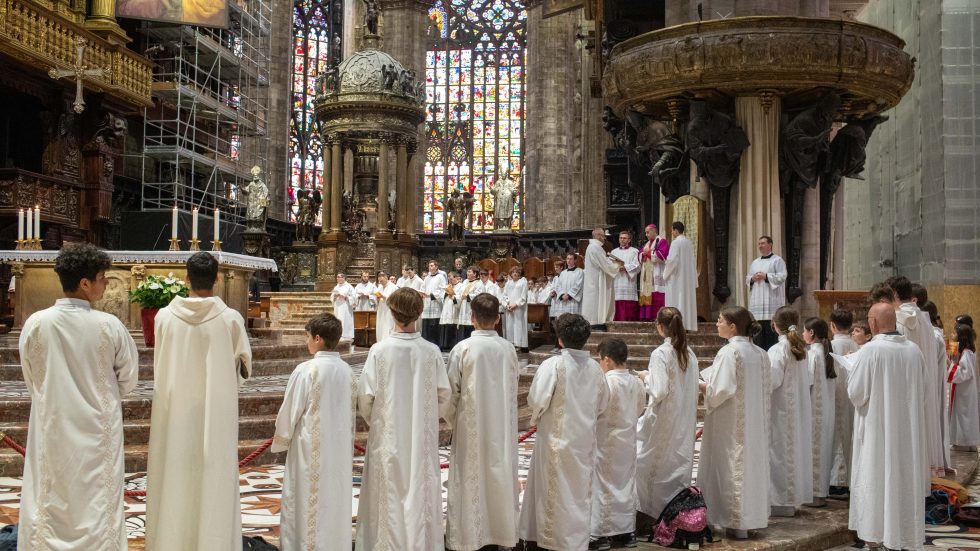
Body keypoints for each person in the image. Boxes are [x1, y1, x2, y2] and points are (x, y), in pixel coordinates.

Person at [17, 243, 139, 550]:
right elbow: (129, 378)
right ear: (85, 283)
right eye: (101, 278)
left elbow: (32, 378)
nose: (105, 283)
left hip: (52, 422)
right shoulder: (109, 325)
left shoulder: (36, 323)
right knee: (99, 496)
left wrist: (53, 397)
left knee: (50, 492)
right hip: (99, 427)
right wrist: (103, 395)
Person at [146, 252, 252, 551]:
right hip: (215, 413)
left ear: (186, 278)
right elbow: (244, 368)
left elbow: (160, 361)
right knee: (213, 473)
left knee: (173, 471)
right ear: (217, 279)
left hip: (174, 412)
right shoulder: (230, 320)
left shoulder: (164, 317)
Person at [356, 287, 451, 550]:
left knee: (388, 490)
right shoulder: (431, 351)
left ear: (391, 312)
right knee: (420, 488)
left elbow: (365, 396)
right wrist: (428, 418)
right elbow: (444, 395)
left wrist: (378, 421)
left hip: (387, 434)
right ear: (419, 313)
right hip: (422, 436)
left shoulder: (380, 350)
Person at [519, 313, 609, 551]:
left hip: (555, 440)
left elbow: (537, 399)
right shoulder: (596, 369)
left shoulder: (554, 365)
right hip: (584, 441)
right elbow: (603, 404)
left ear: (559, 339)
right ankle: (575, 541)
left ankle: (553, 542)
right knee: (578, 494)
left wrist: (537, 416)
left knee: (553, 492)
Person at [848, 303, 926, 551]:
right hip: (907, 432)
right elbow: (922, 390)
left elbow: (856, 393)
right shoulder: (914, 351)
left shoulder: (870, 351)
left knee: (876, 478)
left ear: (872, 322)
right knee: (902, 480)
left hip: (877, 431)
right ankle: (902, 536)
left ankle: (874, 537)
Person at [445, 293, 521, 551]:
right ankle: (500, 535)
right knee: (500, 475)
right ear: (498, 319)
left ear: (472, 317)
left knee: (470, 477)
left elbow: (451, 392)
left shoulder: (463, 348)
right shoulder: (508, 349)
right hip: (502, 425)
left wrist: (455, 419)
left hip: (471, 425)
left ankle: (470, 537)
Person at [271, 314, 353, 550]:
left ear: (318, 338)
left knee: (305, 501)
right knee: (333, 501)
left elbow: (290, 411)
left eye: (307, 336)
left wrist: (282, 438)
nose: (306, 341)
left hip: (309, 451)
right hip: (339, 450)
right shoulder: (348, 371)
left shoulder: (307, 370)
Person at [698, 306, 770, 539]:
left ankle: (730, 518)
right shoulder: (761, 353)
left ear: (732, 326)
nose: (716, 324)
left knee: (728, 466)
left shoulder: (730, 352)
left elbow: (721, 390)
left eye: (720, 320)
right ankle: (747, 521)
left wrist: (703, 387)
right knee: (750, 467)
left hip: (729, 423)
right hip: (754, 422)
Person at [635, 307, 699, 520]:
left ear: (660, 327)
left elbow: (659, 390)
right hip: (684, 418)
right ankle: (675, 513)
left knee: (649, 464)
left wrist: (645, 377)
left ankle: (652, 513)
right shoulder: (689, 353)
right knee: (676, 462)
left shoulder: (661, 353)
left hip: (664, 419)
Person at [591, 338, 647, 549]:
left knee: (602, 485)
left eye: (600, 360)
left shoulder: (605, 382)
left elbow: (595, 410)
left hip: (606, 441)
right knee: (625, 484)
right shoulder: (637, 382)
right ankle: (625, 532)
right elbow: (640, 408)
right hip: (628, 441)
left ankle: (600, 534)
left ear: (607, 359)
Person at [884, 276, 942, 477]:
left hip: (906, 387)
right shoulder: (922, 317)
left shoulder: (902, 319)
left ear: (894, 294)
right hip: (923, 383)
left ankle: (909, 477)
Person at [767, 306, 813, 517]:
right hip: (797, 408)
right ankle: (793, 498)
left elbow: (772, 380)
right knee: (794, 451)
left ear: (775, 325)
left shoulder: (778, 350)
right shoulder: (800, 348)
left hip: (781, 409)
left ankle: (781, 500)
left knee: (780, 452)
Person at [803, 317, 836, 506]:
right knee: (824, 450)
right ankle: (821, 492)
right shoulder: (826, 352)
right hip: (827, 409)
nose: (802, 334)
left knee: (814, 450)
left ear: (811, 333)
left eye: (804, 330)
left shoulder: (812, 354)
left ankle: (814, 494)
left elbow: (807, 383)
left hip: (814, 410)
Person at [828, 308, 859, 496]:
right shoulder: (857, 346)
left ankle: (837, 480)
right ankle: (848, 477)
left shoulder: (830, 346)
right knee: (850, 433)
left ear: (832, 325)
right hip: (853, 396)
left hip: (834, 394)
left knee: (836, 434)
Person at [746, 235, 788, 350]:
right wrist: (752, 278)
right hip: (758, 301)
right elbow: (748, 278)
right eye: (759, 244)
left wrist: (766, 276)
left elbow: (782, 276)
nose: (760, 246)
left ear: (770, 245)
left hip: (771, 300)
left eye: (763, 243)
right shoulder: (755, 262)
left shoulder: (777, 260)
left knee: (770, 333)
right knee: (758, 334)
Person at [948, 324, 979, 450]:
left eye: (955, 332)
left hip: (964, 392)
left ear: (962, 336)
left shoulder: (966, 353)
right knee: (962, 415)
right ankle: (964, 442)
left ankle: (964, 443)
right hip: (963, 390)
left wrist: (949, 365)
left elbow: (964, 373)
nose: (952, 334)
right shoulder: (965, 352)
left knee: (963, 415)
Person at [581, 228, 620, 327]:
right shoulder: (595, 247)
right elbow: (605, 264)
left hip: (593, 281)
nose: (604, 238)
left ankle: (594, 322)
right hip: (596, 282)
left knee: (593, 302)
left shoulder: (592, 247)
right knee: (596, 302)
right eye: (603, 236)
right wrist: (617, 265)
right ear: (598, 236)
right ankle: (597, 323)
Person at [664, 221, 698, 332]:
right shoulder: (689, 243)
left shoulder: (676, 243)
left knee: (677, 300)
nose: (672, 232)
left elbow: (672, 261)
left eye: (672, 230)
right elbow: (693, 261)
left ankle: (676, 326)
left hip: (677, 279)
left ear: (675, 230)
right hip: (687, 279)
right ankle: (686, 325)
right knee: (685, 301)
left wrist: (665, 273)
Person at [638, 223, 669, 321]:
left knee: (657, 293)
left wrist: (648, 253)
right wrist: (643, 254)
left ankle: (657, 316)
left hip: (657, 272)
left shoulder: (662, 241)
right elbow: (640, 254)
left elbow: (662, 256)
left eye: (647, 232)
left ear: (654, 231)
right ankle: (646, 316)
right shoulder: (647, 243)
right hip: (647, 274)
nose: (646, 235)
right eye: (645, 232)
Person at [610, 230, 642, 322]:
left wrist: (625, 267)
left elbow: (637, 265)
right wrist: (616, 268)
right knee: (616, 300)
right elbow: (609, 265)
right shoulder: (613, 252)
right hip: (617, 280)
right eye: (620, 238)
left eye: (624, 238)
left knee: (629, 304)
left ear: (629, 240)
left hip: (628, 281)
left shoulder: (635, 251)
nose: (622, 240)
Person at [550, 253, 585, 321]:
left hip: (572, 300)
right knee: (563, 320)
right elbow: (558, 286)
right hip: (563, 300)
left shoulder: (580, 271)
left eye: (571, 259)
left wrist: (569, 295)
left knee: (573, 320)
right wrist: (562, 295)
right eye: (567, 259)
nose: (568, 260)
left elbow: (578, 285)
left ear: (575, 260)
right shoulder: (563, 273)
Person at [420, 260, 447, 347]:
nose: (430, 267)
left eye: (431, 265)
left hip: (436, 305)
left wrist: (432, 295)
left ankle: (435, 345)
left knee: (434, 327)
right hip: (427, 304)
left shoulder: (441, 277)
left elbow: (443, 290)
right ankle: (425, 345)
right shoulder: (427, 278)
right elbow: (423, 288)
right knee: (426, 326)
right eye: (429, 266)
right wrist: (422, 293)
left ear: (436, 267)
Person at [456, 267, 486, 343]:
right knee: (463, 329)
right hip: (463, 308)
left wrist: (468, 296)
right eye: (467, 272)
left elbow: (480, 296)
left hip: (471, 309)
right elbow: (460, 293)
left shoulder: (479, 283)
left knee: (470, 327)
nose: (467, 273)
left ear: (475, 274)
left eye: (469, 272)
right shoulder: (465, 282)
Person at [503, 267, 529, 351]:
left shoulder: (523, 281)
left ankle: (520, 344)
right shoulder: (508, 283)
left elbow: (523, 296)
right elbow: (504, 296)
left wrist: (516, 304)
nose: (514, 273)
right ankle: (512, 344)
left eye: (517, 272)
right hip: (510, 308)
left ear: (519, 273)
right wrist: (507, 305)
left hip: (519, 309)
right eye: (513, 272)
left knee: (518, 326)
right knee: (510, 326)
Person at [439, 271, 461, 350]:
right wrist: (445, 293)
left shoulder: (460, 286)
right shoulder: (448, 286)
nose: (449, 279)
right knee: (445, 327)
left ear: (456, 278)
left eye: (450, 278)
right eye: (448, 278)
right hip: (446, 308)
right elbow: (441, 297)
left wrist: (453, 296)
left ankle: (451, 345)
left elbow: (460, 297)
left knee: (452, 327)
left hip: (454, 309)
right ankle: (444, 345)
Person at [331, 273, 356, 341]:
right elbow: (332, 296)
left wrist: (346, 297)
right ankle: (338, 335)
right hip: (337, 307)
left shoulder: (349, 286)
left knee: (345, 320)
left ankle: (346, 335)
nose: (338, 278)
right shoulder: (336, 287)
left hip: (345, 307)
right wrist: (334, 297)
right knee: (338, 320)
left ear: (344, 278)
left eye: (339, 277)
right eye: (337, 277)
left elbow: (354, 297)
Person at [374, 271, 397, 342]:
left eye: (382, 278)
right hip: (381, 310)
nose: (380, 280)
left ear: (386, 277)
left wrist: (383, 296)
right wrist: (377, 298)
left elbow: (394, 300)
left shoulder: (393, 287)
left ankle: (388, 344)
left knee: (388, 327)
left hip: (389, 311)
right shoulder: (380, 287)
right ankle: (380, 342)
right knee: (381, 327)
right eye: (379, 278)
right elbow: (377, 299)